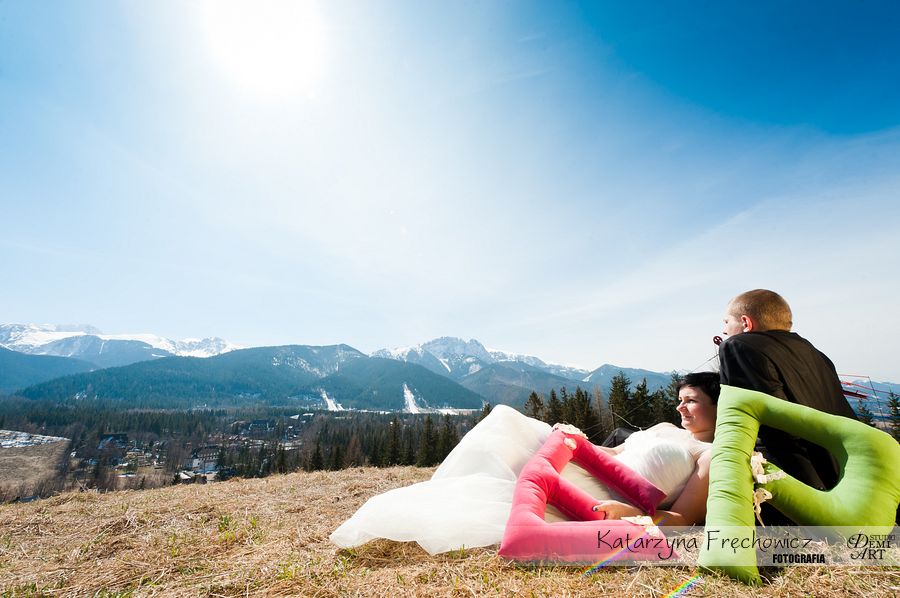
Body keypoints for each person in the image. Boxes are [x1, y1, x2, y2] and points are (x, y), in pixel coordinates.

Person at [330, 373, 719, 554]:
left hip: (604, 498)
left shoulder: (710, 455)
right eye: (680, 398)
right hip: (595, 469)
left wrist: (631, 513)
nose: (680, 406)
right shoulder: (664, 426)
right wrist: (578, 442)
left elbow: (684, 519)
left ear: (718, 407)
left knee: (503, 484)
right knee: (506, 421)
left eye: (692, 400)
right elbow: (617, 455)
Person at [718, 289, 857, 492]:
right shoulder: (816, 354)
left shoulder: (739, 345)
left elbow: (772, 425)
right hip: (842, 470)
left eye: (727, 322)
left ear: (746, 323)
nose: (724, 331)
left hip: (801, 479)